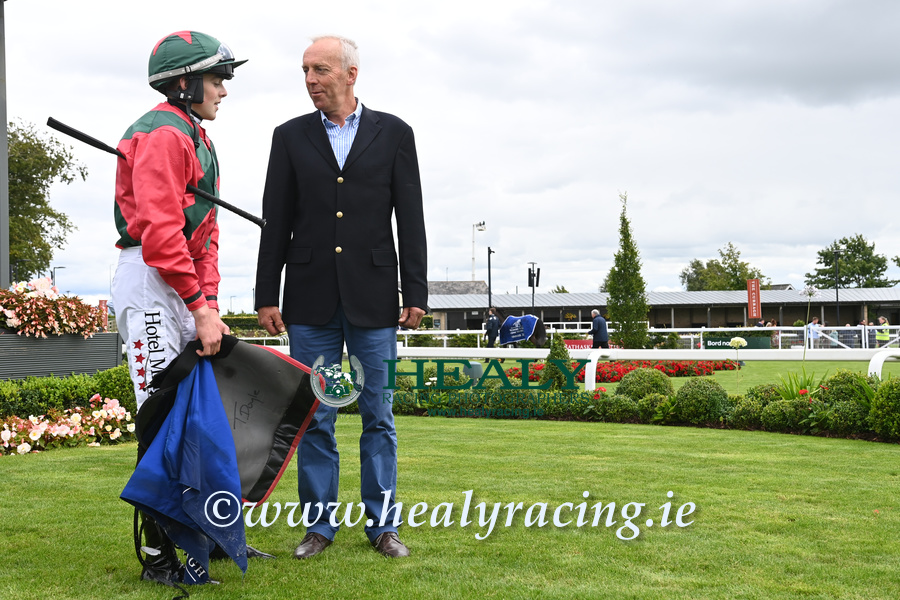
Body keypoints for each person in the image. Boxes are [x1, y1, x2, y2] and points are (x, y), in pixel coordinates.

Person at [255, 35, 427, 560]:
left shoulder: (395, 133)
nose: (310, 80)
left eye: (321, 70)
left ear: (351, 74)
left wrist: (415, 290)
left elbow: (410, 218)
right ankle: (319, 528)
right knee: (315, 416)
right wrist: (267, 292)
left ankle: (383, 528)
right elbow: (275, 221)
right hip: (310, 302)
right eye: (305, 70)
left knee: (378, 414)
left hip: (374, 300)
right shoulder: (288, 137)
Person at [110, 31, 256, 584]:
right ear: (185, 81)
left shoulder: (196, 136)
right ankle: (157, 555)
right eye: (217, 78)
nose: (223, 89)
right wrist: (198, 305)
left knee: (190, 417)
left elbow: (207, 234)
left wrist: (210, 303)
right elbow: (160, 233)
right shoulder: (164, 134)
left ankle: (199, 533)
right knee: (159, 419)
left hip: (179, 282)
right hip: (150, 281)